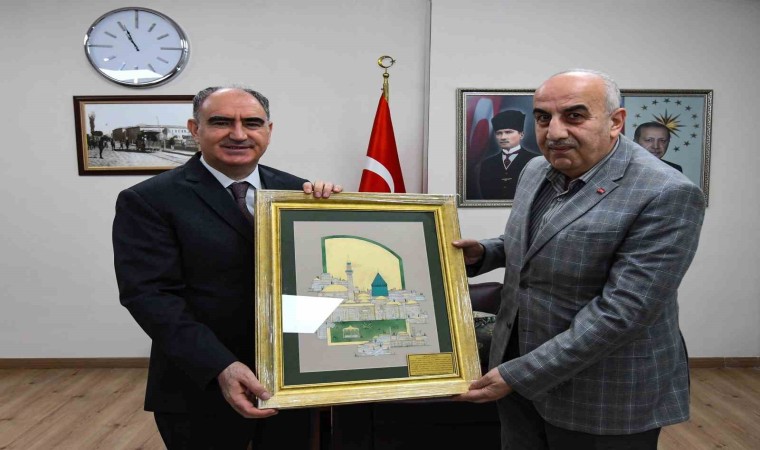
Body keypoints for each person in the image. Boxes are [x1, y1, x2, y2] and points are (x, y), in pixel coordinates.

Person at [453, 69, 705, 449]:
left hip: (603, 394)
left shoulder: (666, 192)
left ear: (615, 122)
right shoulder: (537, 168)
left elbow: (623, 312)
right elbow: (540, 240)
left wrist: (521, 374)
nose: (554, 132)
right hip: (517, 370)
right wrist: (487, 252)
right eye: (543, 118)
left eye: (574, 116)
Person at [113, 86, 342, 449]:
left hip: (292, 380)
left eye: (252, 123)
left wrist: (338, 213)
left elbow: (321, 274)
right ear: (195, 129)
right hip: (200, 383)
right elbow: (150, 297)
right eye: (221, 122)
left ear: (268, 130)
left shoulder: (298, 192)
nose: (238, 134)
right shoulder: (149, 200)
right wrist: (220, 366)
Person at [477, 109, 538, 200]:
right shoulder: (487, 164)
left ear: (521, 134)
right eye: (499, 133)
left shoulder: (535, 161)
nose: (503, 137)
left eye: (508, 132)